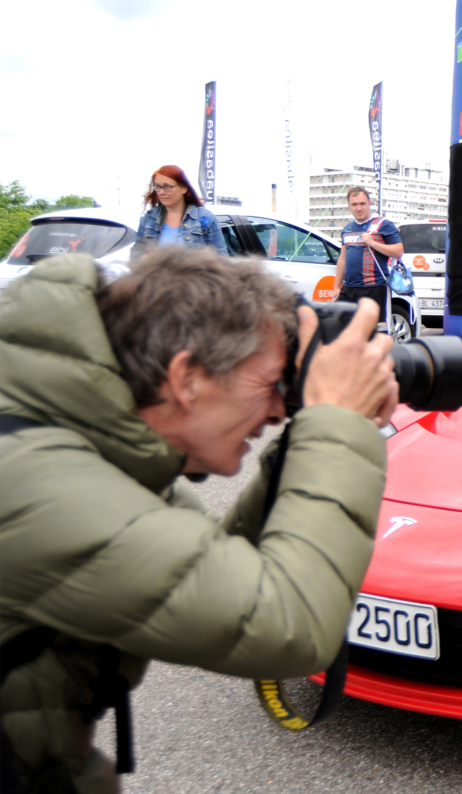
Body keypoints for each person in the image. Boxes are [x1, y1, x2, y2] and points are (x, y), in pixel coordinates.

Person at [0, 247, 397, 793]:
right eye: (270, 385)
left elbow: (206, 564)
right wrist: (339, 425)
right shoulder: (32, 483)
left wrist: (306, 442)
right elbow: (287, 625)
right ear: (186, 376)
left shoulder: (68, 436)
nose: (282, 408)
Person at [332, 187, 403, 331]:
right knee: (341, 330)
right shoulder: (347, 229)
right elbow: (342, 259)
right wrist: (336, 286)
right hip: (349, 288)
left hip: (375, 287)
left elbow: (398, 251)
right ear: (349, 206)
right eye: (355, 204)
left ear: (370, 203)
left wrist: (373, 243)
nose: (359, 208)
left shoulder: (384, 224)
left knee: (375, 332)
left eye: (362, 204)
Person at [133, 166, 228, 255]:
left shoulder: (205, 218)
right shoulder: (149, 218)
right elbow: (136, 252)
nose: (161, 192)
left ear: (183, 188)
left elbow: (221, 258)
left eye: (167, 187)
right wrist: (143, 258)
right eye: (158, 187)